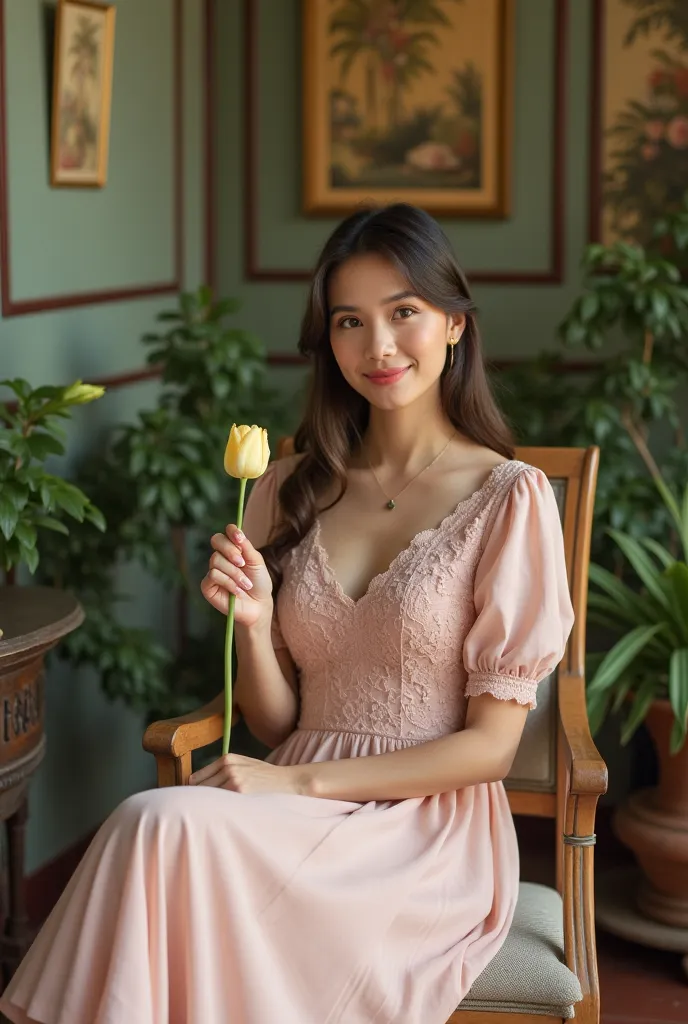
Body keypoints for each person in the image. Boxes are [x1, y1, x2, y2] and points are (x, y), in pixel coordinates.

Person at [0, 204, 574, 1024]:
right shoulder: (289, 485)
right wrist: (253, 624)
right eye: (350, 321)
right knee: (157, 826)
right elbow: (278, 722)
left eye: (403, 312)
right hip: (291, 798)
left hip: (420, 836)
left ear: (453, 323)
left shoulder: (506, 498)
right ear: (327, 340)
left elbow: (490, 749)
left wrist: (296, 780)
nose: (377, 346)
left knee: (158, 824)